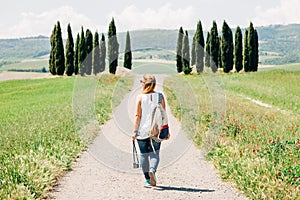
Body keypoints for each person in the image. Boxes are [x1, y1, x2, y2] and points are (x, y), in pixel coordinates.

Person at [132, 74, 167, 187]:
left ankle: (147, 179)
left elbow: (138, 115)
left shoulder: (140, 97)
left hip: (142, 130)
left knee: (143, 154)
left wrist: (135, 131)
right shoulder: (160, 96)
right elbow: (163, 115)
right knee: (154, 153)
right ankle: (152, 169)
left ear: (143, 84)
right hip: (156, 130)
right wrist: (167, 130)